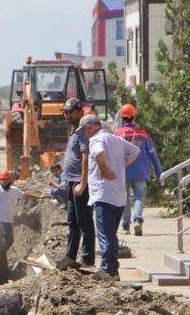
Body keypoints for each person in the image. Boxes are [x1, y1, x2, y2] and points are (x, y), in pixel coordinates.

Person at [80, 114, 140, 281]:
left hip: (104, 194)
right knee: (111, 235)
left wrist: (104, 168)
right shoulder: (116, 139)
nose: (85, 134)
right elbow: (136, 151)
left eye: (85, 130)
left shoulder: (96, 140)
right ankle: (113, 270)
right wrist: (121, 165)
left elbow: (98, 152)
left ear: (90, 127)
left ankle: (107, 269)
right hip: (119, 195)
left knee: (105, 235)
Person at [55, 98, 97, 270]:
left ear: (80, 112)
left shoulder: (82, 133)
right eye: (65, 112)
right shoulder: (73, 132)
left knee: (84, 221)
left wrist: (83, 182)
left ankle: (88, 259)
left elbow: (86, 157)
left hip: (79, 183)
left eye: (70, 112)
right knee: (72, 220)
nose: (67, 115)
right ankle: (70, 255)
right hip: (71, 182)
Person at [114, 103, 163, 236]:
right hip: (141, 171)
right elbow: (153, 154)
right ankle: (137, 220)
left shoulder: (117, 134)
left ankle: (125, 226)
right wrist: (160, 173)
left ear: (122, 118)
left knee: (124, 199)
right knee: (139, 197)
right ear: (134, 116)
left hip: (123, 172)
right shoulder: (144, 135)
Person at [0, 170, 45, 249]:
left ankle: (3, 254)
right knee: (3, 239)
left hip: (8, 220)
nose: (4, 182)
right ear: (0, 180)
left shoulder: (14, 190)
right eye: (2, 180)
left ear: (9, 180)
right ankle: (0, 254)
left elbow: (25, 195)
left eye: (6, 179)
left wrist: (39, 197)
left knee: (10, 241)